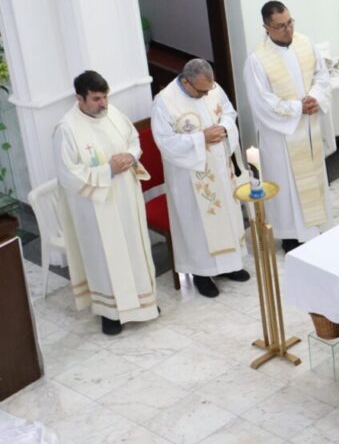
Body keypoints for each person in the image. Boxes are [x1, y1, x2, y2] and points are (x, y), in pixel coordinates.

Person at [55, 70, 159, 335]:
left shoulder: (112, 114)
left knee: (134, 247)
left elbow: (133, 139)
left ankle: (144, 302)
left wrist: (130, 156)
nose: (104, 104)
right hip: (96, 207)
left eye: (105, 97)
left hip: (126, 195)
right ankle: (110, 313)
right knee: (105, 255)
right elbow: (68, 174)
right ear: (79, 98)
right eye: (96, 99)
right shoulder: (66, 129)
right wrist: (107, 170)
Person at [151, 59, 249, 298]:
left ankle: (230, 265)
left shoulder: (210, 87)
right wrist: (200, 138)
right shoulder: (164, 101)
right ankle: (202, 274)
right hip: (190, 176)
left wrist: (225, 128)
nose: (207, 93)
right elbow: (165, 142)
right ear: (186, 81)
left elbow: (228, 111)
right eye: (201, 91)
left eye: (209, 88)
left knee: (226, 213)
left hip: (220, 168)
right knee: (197, 224)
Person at [243, 0, 331, 253]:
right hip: (282, 136)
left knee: (312, 178)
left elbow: (321, 76)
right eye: (280, 26)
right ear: (266, 27)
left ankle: (316, 225)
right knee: (288, 184)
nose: (288, 30)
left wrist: (315, 97)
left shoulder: (305, 43)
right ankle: (292, 235)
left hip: (308, 128)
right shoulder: (257, 60)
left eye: (290, 22)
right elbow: (261, 102)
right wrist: (297, 108)